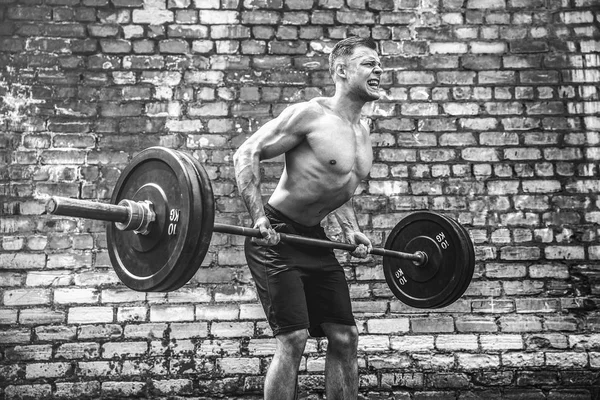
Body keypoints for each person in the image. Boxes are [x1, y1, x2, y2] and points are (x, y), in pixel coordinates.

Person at [233, 36, 382, 400]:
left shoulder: (364, 131)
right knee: (293, 338)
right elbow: (246, 152)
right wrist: (258, 219)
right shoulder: (310, 115)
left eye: (380, 64)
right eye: (368, 63)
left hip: (314, 239)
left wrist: (352, 231)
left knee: (345, 336)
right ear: (341, 70)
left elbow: (336, 186)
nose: (378, 70)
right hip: (276, 237)